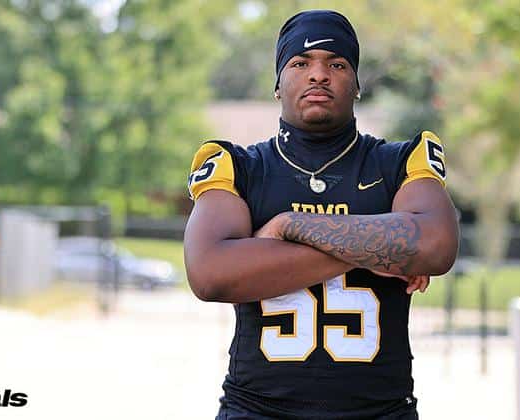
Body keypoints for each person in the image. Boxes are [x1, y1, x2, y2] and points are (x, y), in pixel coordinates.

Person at [184, 9, 459, 419]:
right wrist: (379, 248)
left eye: (336, 63)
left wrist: (288, 226)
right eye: (300, 63)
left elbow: (436, 245)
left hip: (379, 411)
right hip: (258, 409)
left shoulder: (398, 161)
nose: (318, 75)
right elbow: (209, 273)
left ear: (357, 84)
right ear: (278, 84)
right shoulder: (239, 166)